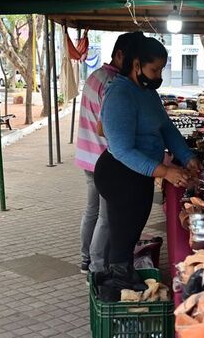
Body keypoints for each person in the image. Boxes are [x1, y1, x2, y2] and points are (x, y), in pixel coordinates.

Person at [93, 34, 201, 300]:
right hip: (119, 173)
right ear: (137, 64)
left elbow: (166, 127)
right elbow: (121, 149)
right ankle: (117, 287)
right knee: (123, 231)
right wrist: (165, 171)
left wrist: (186, 156)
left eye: (162, 69)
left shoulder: (147, 92)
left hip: (140, 173)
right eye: (155, 69)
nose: (158, 75)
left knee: (130, 230)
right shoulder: (120, 94)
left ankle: (121, 277)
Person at [75, 32, 138, 274]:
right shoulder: (111, 83)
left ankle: (85, 259)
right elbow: (105, 127)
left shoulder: (95, 76)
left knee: (92, 211)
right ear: (120, 54)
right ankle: (96, 266)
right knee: (106, 217)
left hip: (87, 156)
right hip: (103, 161)